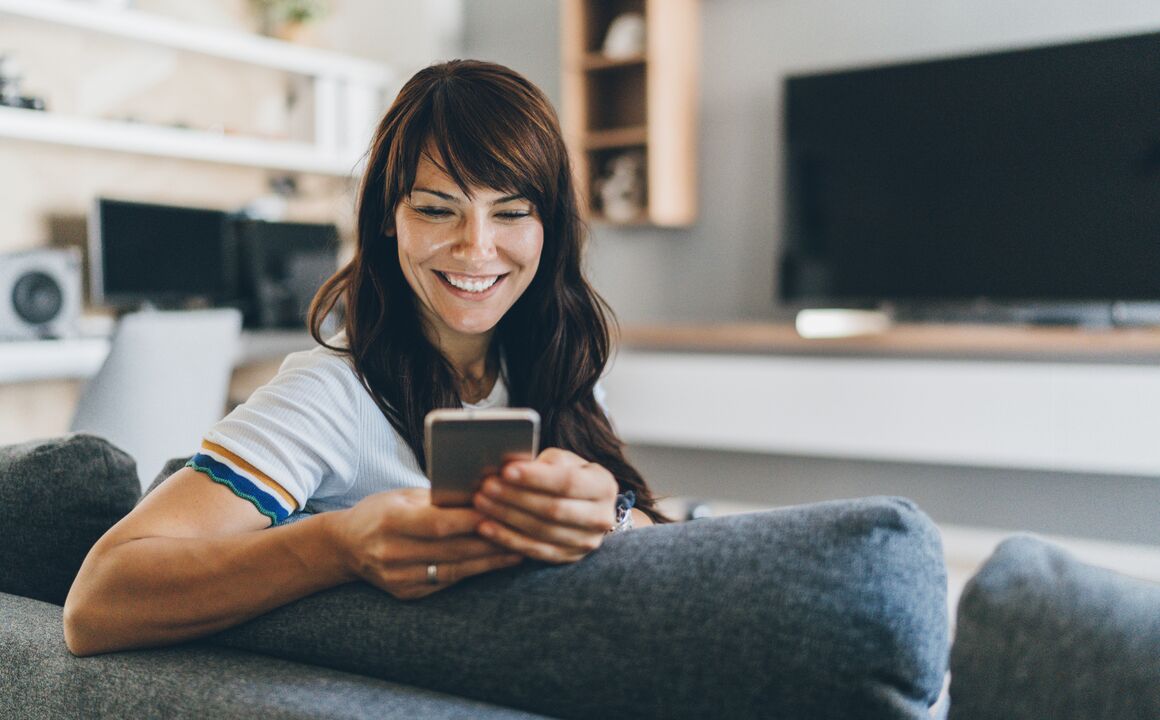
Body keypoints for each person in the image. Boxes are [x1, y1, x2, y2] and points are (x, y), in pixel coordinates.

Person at [63, 59, 666, 657]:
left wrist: (604, 516)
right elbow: (96, 603)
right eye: (435, 209)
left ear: (549, 228)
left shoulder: (558, 367)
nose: (477, 248)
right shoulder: (332, 394)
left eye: (510, 212)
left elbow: (658, 550)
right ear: (387, 219)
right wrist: (338, 546)